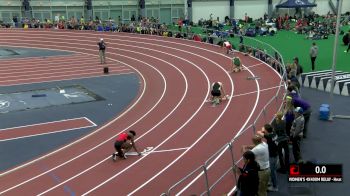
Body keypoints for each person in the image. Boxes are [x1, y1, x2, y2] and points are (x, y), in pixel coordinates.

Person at [258, 124, 278, 192]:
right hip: (275, 153)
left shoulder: (268, 137)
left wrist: (262, 131)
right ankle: (270, 182)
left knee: (272, 171)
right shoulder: (274, 133)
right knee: (272, 169)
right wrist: (264, 130)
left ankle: (275, 187)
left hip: (272, 156)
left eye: (264, 129)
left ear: (266, 131)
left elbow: (259, 133)